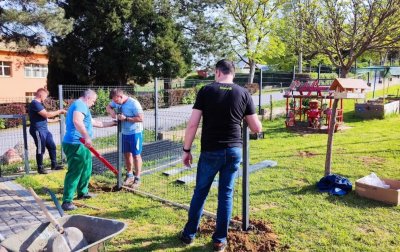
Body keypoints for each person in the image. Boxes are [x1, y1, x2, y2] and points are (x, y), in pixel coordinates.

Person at [179, 59, 262, 252]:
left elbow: (192, 124)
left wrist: (186, 150)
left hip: (210, 150)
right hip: (234, 151)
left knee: (200, 192)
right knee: (226, 194)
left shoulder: (206, 91)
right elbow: (256, 128)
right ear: (233, 73)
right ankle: (219, 241)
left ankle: (189, 235)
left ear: (217, 72)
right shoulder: (244, 93)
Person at [61, 89, 116, 211]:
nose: (94, 103)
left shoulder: (82, 106)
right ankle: (67, 201)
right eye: (93, 101)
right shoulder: (80, 105)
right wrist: (86, 136)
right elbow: (77, 121)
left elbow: (94, 122)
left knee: (86, 167)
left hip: (81, 144)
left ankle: (82, 192)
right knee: (75, 171)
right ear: (88, 98)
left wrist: (112, 123)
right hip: (76, 143)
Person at [106, 88, 144, 187]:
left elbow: (141, 118)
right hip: (124, 133)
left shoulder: (134, 104)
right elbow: (108, 106)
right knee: (127, 154)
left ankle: (137, 178)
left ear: (121, 96)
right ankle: (130, 174)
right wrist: (112, 112)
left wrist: (126, 118)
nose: (115, 103)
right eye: (114, 101)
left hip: (135, 133)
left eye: (116, 100)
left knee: (136, 155)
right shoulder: (117, 101)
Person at [28, 88, 66, 174]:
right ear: (40, 95)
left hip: (45, 130)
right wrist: (59, 111)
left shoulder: (39, 104)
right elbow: (46, 114)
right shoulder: (35, 104)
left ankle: (54, 165)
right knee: (41, 148)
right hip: (38, 130)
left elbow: (44, 118)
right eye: (45, 96)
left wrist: (54, 120)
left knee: (52, 146)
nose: (45, 98)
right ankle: (40, 168)